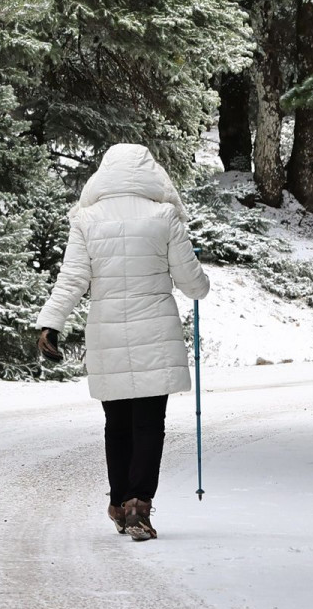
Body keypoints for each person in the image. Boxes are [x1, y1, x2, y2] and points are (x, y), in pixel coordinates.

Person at [35, 143, 210, 542]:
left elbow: (73, 279)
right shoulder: (164, 215)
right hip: (156, 334)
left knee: (117, 425)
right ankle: (139, 505)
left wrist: (50, 323)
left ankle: (118, 503)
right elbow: (193, 285)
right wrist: (201, 280)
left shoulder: (87, 219)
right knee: (150, 424)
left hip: (107, 332)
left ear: (105, 175)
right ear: (150, 173)